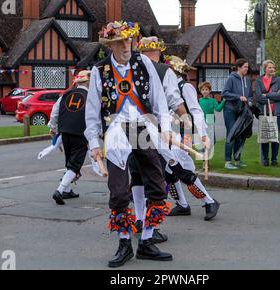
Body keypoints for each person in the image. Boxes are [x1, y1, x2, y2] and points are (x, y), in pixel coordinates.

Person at [85, 21, 173, 268]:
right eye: (120, 42)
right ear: (110, 44)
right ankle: (124, 243)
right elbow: (92, 111)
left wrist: (165, 129)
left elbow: (159, 100)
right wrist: (94, 142)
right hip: (115, 130)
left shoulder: (144, 63)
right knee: (119, 189)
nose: (126, 46)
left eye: (129, 40)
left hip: (141, 127)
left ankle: (146, 241)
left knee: (156, 184)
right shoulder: (98, 71)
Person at [129, 36, 188, 243]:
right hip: (156, 129)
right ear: (159, 52)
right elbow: (174, 100)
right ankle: (149, 228)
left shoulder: (130, 68)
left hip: (131, 127)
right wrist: (188, 122)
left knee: (136, 173)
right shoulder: (165, 71)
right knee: (155, 176)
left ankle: (138, 219)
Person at [165, 55, 219, 220]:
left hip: (185, 133)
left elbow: (196, 111)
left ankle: (209, 201)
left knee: (181, 169)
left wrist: (203, 135)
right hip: (170, 132)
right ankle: (182, 204)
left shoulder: (185, 87)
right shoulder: (168, 87)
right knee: (169, 170)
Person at [48, 70, 90, 205]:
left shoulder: (66, 94)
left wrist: (53, 128)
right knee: (75, 164)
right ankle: (59, 191)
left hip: (65, 132)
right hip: (80, 132)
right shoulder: (91, 96)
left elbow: (55, 111)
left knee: (70, 161)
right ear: (88, 82)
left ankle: (66, 190)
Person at [222, 59, 253, 169]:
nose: (247, 69)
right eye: (245, 66)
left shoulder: (248, 80)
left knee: (240, 134)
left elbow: (249, 94)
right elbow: (224, 93)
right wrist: (238, 97)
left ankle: (237, 159)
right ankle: (227, 161)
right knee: (231, 134)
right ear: (238, 67)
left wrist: (249, 100)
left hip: (242, 111)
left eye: (247, 67)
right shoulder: (231, 78)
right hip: (230, 110)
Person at [255, 60, 280, 167]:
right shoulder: (258, 80)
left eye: (273, 67)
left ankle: (274, 159)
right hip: (264, 112)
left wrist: (266, 95)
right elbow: (258, 97)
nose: (272, 69)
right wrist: (273, 96)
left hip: (277, 112)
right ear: (265, 68)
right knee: (264, 136)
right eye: (270, 67)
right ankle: (265, 159)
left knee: (275, 136)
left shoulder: (279, 80)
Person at [198, 81, 226, 147]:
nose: (205, 91)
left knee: (211, 137)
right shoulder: (199, 100)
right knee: (203, 136)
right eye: (203, 90)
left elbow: (218, 109)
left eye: (206, 89)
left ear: (209, 91)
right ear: (200, 91)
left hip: (210, 118)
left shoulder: (212, 100)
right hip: (202, 120)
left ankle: (209, 148)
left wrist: (223, 102)